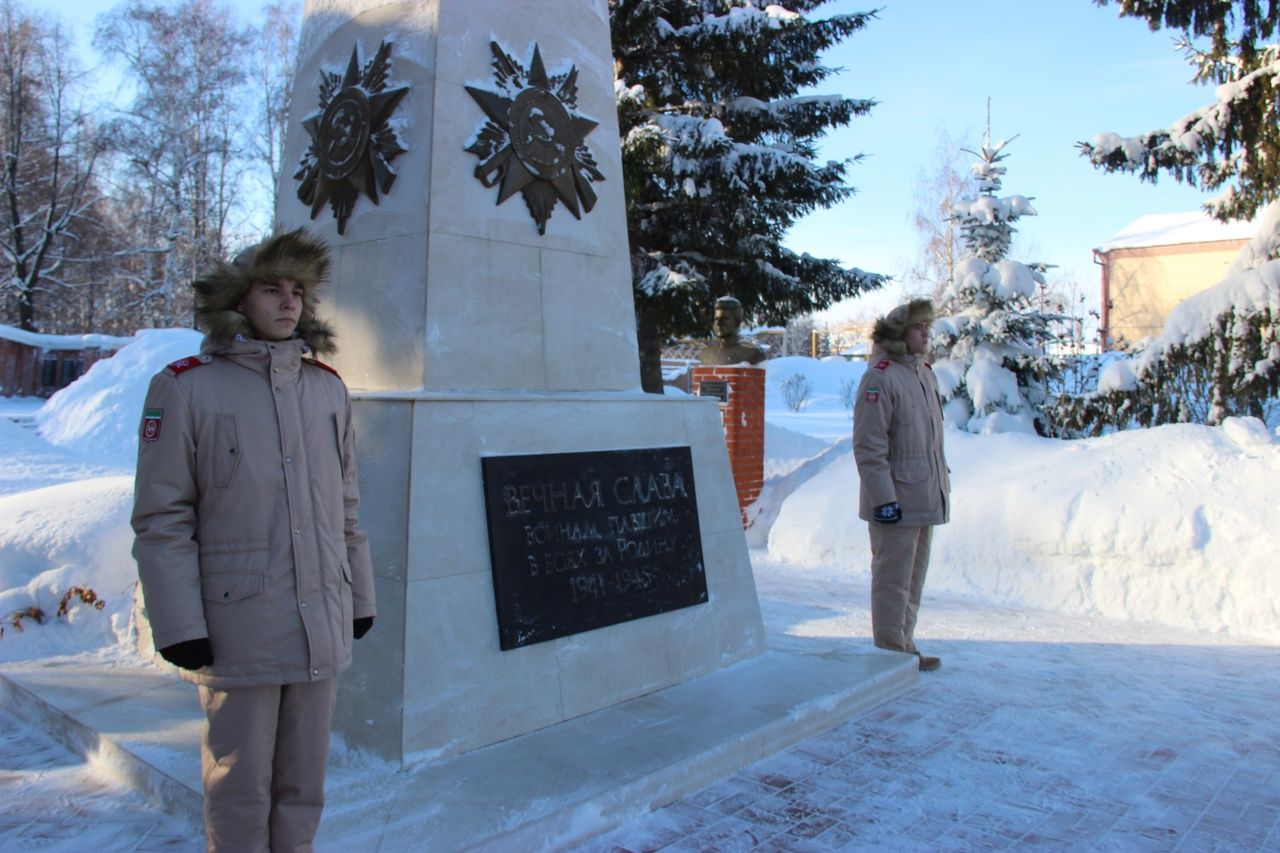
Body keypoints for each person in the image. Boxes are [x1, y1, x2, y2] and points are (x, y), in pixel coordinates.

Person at [130, 228, 376, 850]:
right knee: (240, 785)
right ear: (239, 298)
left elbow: (345, 505)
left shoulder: (326, 388)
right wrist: (179, 622)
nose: (288, 302)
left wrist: (360, 596)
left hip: (319, 612)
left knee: (304, 781)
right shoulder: (185, 387)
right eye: (273, 288)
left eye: (298, 291)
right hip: (239, 621)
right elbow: (163, 518)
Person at [852, 298, 949, 671]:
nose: (926, 333)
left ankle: (904, 647)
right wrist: (882, 500)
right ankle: (889, 655)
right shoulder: (880, 377)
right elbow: (869, 446)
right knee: (893, 580)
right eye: (919, 327)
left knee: (913, 578)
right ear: (899, 333)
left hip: (924, 494)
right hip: (895, 500)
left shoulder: (923, 372)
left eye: (928, 327)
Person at [698, 295, 766, 365]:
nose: (718, 323)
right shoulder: (706, 353)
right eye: (716, 319)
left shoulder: (751, 354)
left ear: (737, 322)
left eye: (724, 319)